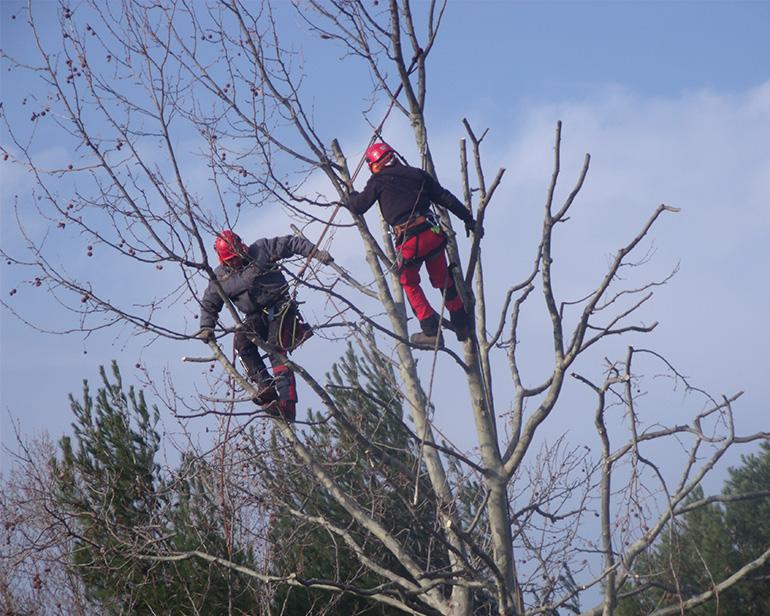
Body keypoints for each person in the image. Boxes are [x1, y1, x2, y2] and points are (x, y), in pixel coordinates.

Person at [343, 142, 481, 348]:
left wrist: (350, 194)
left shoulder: (378, 181)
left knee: (408, 282)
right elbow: (446, 198)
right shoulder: (418, 174)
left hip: (410, 241)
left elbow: (358, 206)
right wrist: (469, 219)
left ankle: (430, 330)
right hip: (432, 235)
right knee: (443, 279)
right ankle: (461, 323)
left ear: (374, 164)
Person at [197, 230, 332, 422]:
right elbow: (210, 302)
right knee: (242, 343)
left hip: (281, 307)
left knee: (275, 349)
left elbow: (291, 243)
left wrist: (315, 252)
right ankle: (265, 386)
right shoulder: (220, 278)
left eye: (238, 257)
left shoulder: (262, 249)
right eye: (231, 260)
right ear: (223, 260)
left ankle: (287, 404)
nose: (236, 262)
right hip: (255, 316)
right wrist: (206, 326)